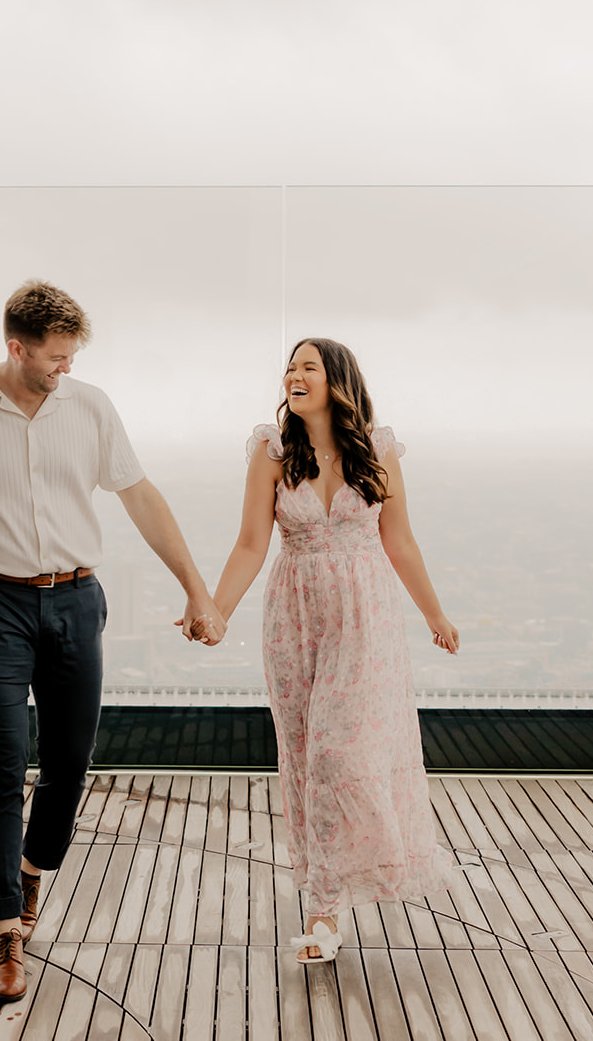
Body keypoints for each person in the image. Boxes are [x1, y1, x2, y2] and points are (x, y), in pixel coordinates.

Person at [0, 280, 225, 1003]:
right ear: (16, 347)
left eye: (72, 356)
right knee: (2, 764)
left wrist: (196, 585)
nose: (66, 367)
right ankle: (4, 926)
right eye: (56, 356)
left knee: (69, 762)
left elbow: (140, 495)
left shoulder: (90, 406)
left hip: (75, 599)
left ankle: (32, 872)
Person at [201, 336, 460, 963]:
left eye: (308, 366)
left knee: (337, 752)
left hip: (364, 617)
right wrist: (216, 609)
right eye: (289, 367)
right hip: (293, 616)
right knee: (303, 755)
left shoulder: (378, 451)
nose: (294, 375)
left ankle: (347, 879)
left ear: (337, 379)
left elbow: (400, 542)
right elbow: (249, 546)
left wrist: (434, 614)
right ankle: (322, 906)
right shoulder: (270, 452)